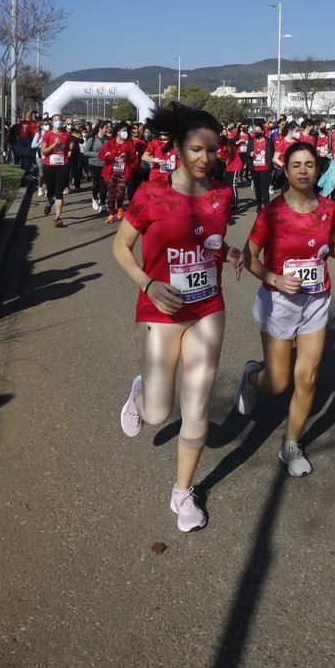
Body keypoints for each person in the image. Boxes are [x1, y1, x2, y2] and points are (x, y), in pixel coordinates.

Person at [113, 103, 245, 533]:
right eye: (195, 149)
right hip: (160, 309)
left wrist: (230, 252)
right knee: (157, 413)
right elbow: (120, 248)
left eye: (212, 150)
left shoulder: (223, 195)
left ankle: (182, 491)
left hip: (208, 307)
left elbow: (209, 241)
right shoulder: (151, 193)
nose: (205, 158)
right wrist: (148, 284)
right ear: (177, 148)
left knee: (198, 400)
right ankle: (139, 395)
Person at [234, 141, 335, 476]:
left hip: (316, 299)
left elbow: (329, 244)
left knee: (306, 378)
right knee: (277, 382)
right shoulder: (273, 212)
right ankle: (252, 375)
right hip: (278, 302)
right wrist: (275, 279)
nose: (303, 170)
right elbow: (249, 258)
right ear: (287, 170)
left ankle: (291, 443)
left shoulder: (327, 209)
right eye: (296, 165)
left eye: (309, 164)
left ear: (317, 169)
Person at [39, 115, 73, 227]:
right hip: (49, 166)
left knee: (59, 191)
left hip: (62, 166)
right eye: (56, 120)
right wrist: (54, 144)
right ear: (52, 122)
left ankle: (57, 218)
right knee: (50, 190)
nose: (58, 122)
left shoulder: (66, 135)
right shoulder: (48, 134)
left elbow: (68, 147)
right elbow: (43, 151)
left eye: (59, 120)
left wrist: (69, 152)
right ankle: (49, 203)